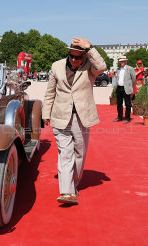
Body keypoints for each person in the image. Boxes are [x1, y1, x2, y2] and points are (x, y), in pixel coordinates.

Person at [42, 37, 106, 204]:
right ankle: (67, 192)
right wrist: (45, 113)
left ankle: (74, 184)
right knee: (65, 153)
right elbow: (50, 92)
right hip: (60, 116)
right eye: (71, 55)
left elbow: (102, 67)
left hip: (81, 118)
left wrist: (90, 47)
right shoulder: (56, 66)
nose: (73, 59)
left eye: (78, 57)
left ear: (84, 57)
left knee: (79, 153)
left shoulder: (90, 68)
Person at [112, 56, 136, 123]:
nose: (121, 62)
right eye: (120, 61)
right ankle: (120, 117)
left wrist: (130, 85)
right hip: (119, 88)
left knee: (127, 104)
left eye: (122, 61)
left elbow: (133, 78)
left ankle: (127, 118)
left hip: (126, 88)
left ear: (125, 61)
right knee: (119, 104)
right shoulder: (118, 69)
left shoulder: (130, 68)